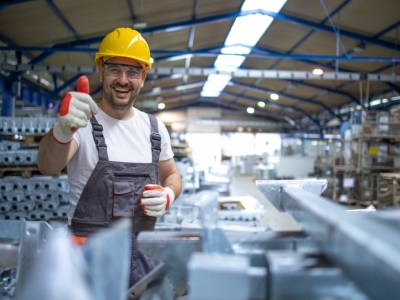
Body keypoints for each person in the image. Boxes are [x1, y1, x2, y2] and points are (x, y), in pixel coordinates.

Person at [37, 27, 182, 286]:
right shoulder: (81, 122)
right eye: (115, 69)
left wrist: (168, 194)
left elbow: (172, 174)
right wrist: (62, 130)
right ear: (101, 71)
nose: (123, 80)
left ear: (143, 77)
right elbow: (48, 166)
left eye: (133, 72)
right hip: (89, 264)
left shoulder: (154, 128)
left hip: (144, 263)